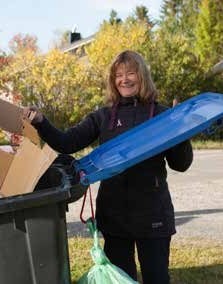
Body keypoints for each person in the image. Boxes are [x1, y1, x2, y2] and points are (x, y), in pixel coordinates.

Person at [24, 50, 193, 284]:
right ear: (113, 81)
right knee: (120, 279)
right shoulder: (103, 117)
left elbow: (181, 164)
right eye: (119, 75)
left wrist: (180, 130)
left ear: (142, 76)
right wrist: (42, 122)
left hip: (153, 215)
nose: (125, 79)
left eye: (131, 73)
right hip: (115, 216)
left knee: (157, 278)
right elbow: (67, 142)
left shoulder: (162, 114)